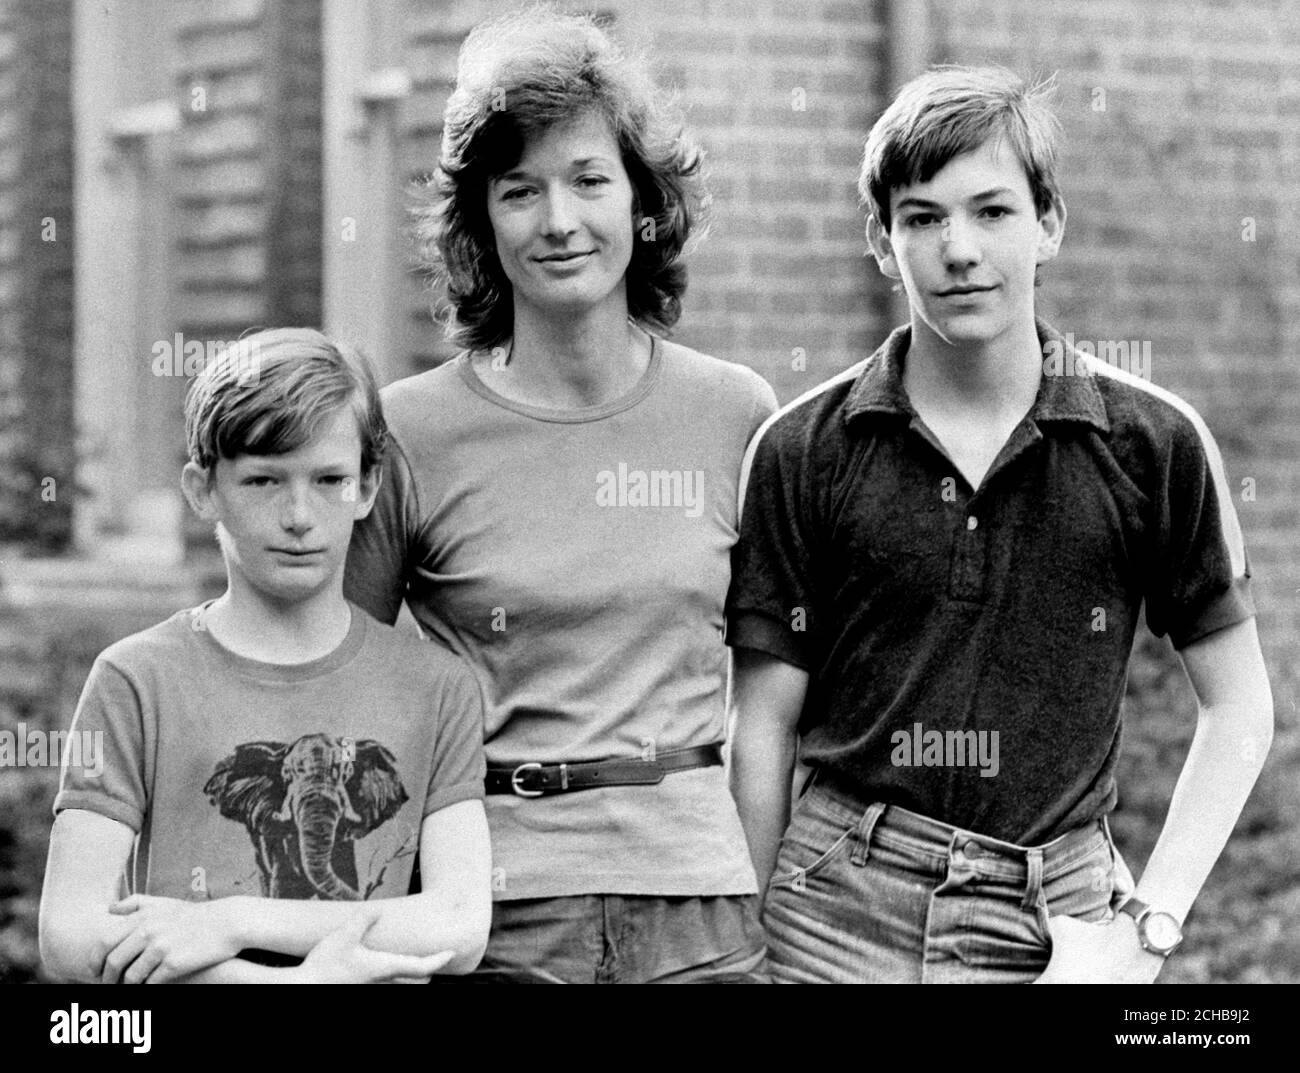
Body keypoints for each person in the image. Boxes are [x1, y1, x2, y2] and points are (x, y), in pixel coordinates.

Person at [726, 66, 1273, 983]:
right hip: (833, 913)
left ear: (1049, 222)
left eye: (992, 211)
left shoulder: (1154, 443)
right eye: (923, 217)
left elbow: (1240, 705)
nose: (959, 249)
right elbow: (761, 728)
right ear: (881, 238)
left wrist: (1148, 927)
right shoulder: (802, 448)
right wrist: (746, 945)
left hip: (1054, 926)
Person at [345, 9, 777, 983]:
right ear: (479, 221)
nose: (558, 221)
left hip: (704, 918)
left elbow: (776, 687)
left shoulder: (734, 412)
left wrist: (752, 883)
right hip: (494, 919)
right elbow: (346, 690)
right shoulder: (409, 431)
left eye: (589, 179)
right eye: (518, 190)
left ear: (641, 200)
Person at [39, 328, 491, 983]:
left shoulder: (436, 686)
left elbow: (457, 924)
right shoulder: (136, 679)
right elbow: (69, 933)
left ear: (368, 488)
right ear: (202, 490)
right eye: (263, 480)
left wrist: (229, 920)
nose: (300, 514)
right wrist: (287, 984)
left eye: (329, 478)